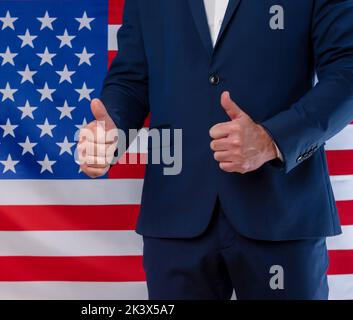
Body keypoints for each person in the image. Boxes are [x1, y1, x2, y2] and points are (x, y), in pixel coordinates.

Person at [78, 0, 353, 299]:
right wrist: (111, 133)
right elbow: (131, 80)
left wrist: (271, 139)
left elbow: (346, 73)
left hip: (283, 211)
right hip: (175, 211)